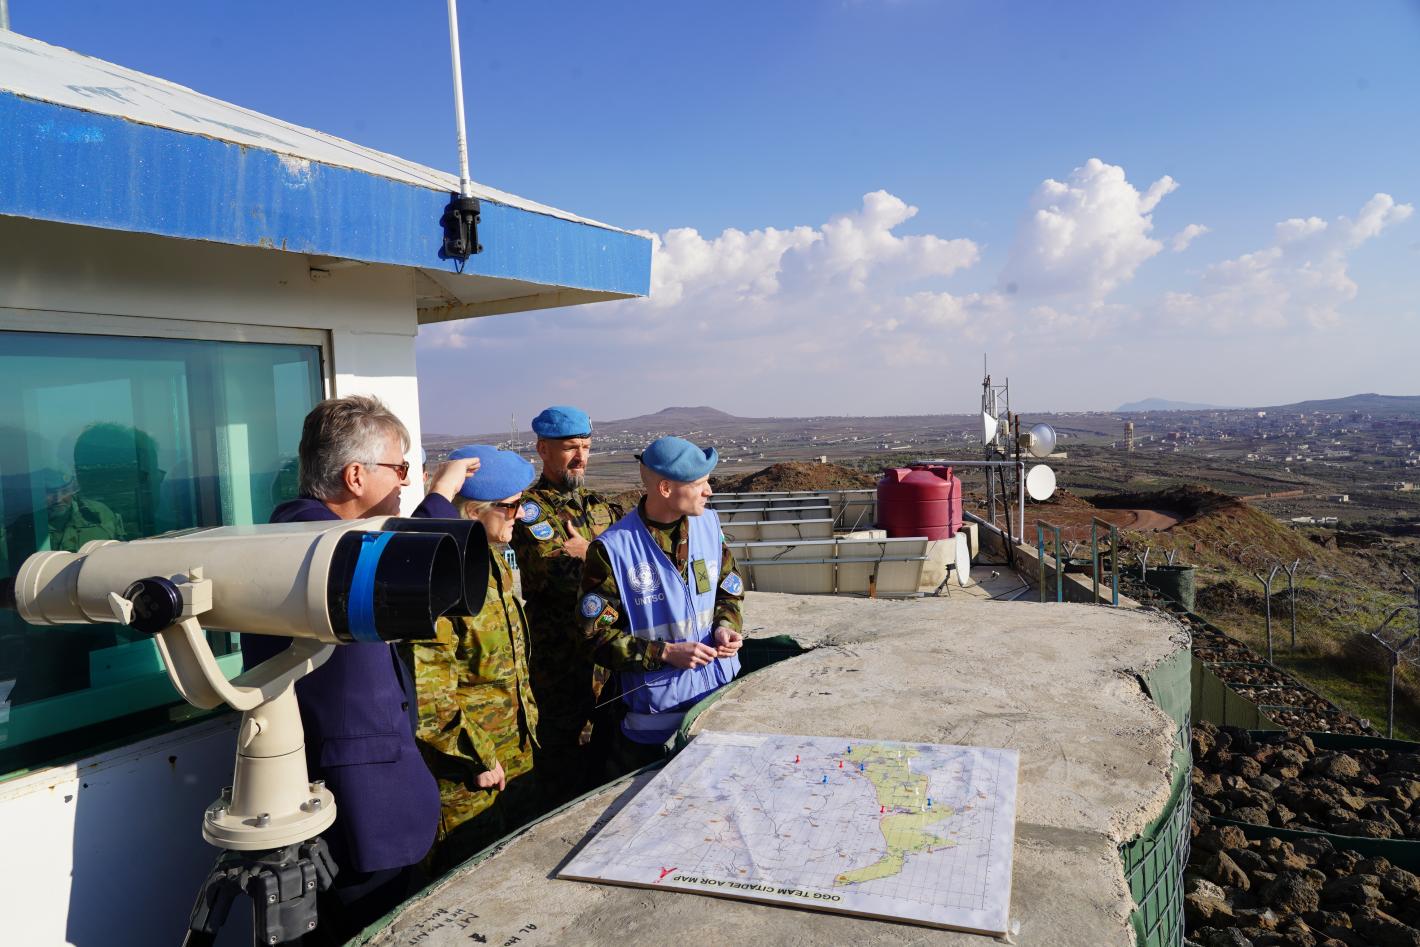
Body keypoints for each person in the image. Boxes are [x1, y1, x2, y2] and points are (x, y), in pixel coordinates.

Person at [239, 395, 480, 943]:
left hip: (348, 798)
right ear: (355, 476)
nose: (404, 483)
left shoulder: (295, 534)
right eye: (399, 468)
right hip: (359, 811)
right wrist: (441, 496)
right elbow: (412, 566)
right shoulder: (323, 547)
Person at [579, 436, 746, 774]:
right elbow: (595, 638)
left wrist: (726, 627)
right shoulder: (613, 550)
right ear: (666, 488)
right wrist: (665, 653)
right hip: (654, 726)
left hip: (716, 702)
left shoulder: (709, 526)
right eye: (699, 484)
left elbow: (728, 591)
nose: (709, 491)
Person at [414, 445, 541, 874]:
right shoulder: (444, 580)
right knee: (475, 876)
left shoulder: (491, 562)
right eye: (511, 506)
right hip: (469, 774)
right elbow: (430, 697)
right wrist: (479, 757)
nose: (520, 515)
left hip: (515, 751)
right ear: (473, 512)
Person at [508, 406, 624, 801]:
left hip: (607, 660)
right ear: (543, 449)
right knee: (562, 770)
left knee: (607, 758)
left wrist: (590, 553)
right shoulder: (530, 510)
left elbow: (640, 567)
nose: (580, 457)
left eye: (586, 447)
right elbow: (563, 578)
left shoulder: (601, 506)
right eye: (570, 447)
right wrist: (609, 561)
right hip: (561, 665)